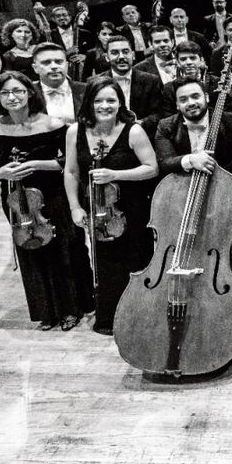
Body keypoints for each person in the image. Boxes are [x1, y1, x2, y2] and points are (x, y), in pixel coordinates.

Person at [0, 71, 93, 331]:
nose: (12, 97)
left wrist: (38, 164)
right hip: (16, 199)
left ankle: (71, 308)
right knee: (31, 251)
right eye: (5, 92)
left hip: (54, 194)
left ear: (30, 92)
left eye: (18, 90)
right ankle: (47, 311)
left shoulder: (53, 124)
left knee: (63, 250)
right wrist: (0, 173)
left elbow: (69, 163)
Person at [64, 78, 158, 334]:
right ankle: (110, 318)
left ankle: (139, 318)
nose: (105, 105)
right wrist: (75, 206)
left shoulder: (133, 131)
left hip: (132, 208)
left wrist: (115, 175)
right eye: (98, 100)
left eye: (111, 100)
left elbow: (151, 169)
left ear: (120, 103)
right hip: (98, 209)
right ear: (89, 103)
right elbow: (71, 172)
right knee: (105, 263)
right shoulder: (75, 132)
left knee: (136, 261)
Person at [154, 77, 232, 176]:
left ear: (207, 97)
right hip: (184, 184)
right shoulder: (166, 126)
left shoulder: (230, 121)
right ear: (177, 105)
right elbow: (165, 163)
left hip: (225, 182)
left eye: (195, 96)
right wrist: (191, 160)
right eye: (183, 100)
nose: (191, 103)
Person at [94, 36, 164, 135]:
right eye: (115, 53)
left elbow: (159, 113)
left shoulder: (151, 80)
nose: (121, 56)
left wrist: (139, 124)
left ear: (133, 55)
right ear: (106, 57)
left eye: (126, 52)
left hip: (143, 135)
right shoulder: (95, 83)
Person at [33, 43, 85, 124]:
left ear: (67, 65)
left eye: (59, 62)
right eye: (46, 62)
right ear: (35, 68)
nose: (54, 66)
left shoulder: (86, 90)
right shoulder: (28, 93)